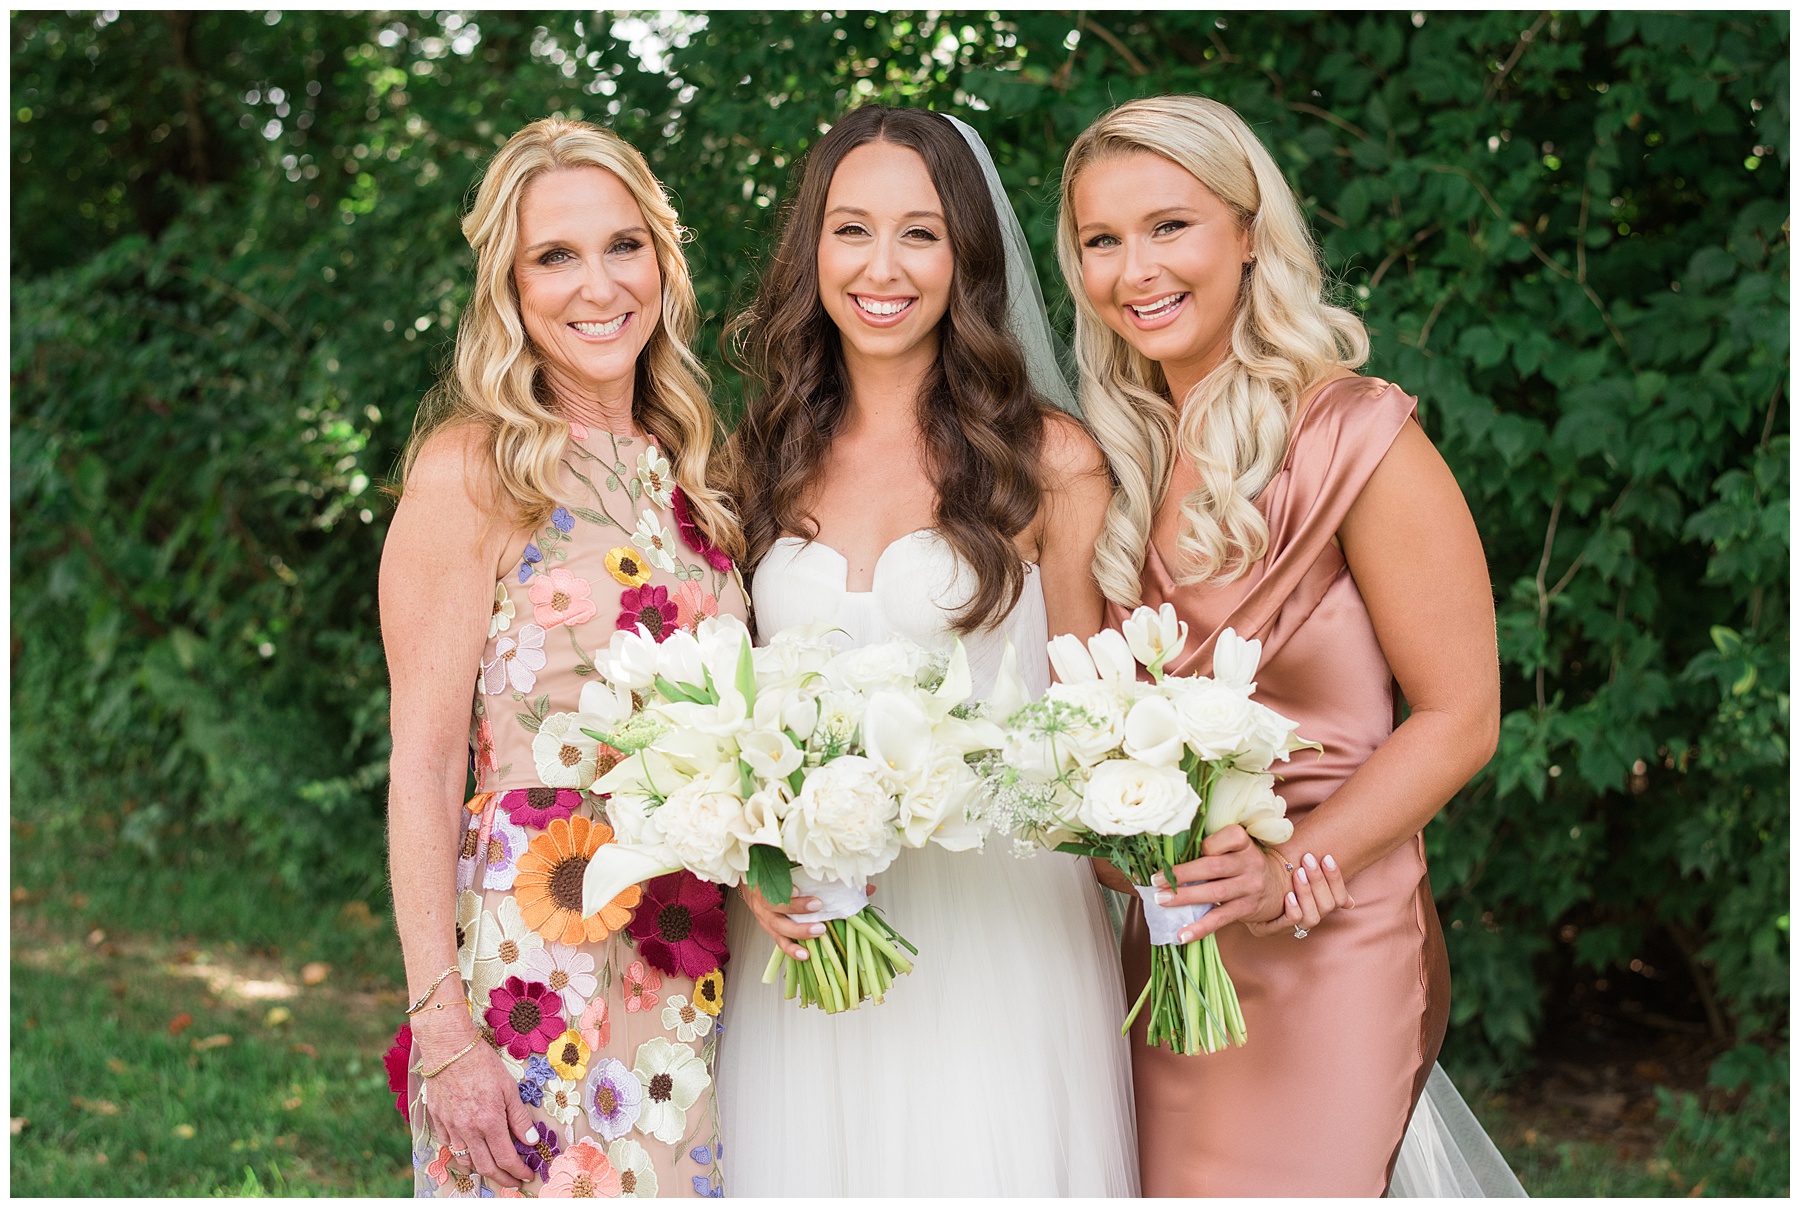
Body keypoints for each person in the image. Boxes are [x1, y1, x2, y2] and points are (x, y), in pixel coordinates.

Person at [1057, 95, 1523, 1196]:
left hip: (1335, 929)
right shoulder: (1107, 469)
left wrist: (1289, 868)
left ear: (1249, 231)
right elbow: (1079, 731)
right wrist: (1125, 850)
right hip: (1168, 951)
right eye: (1101, 240)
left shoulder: (1360, 435)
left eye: (1171, 225)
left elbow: (1463, 716)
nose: (1136, 269)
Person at [716, 105, 1138, 1196]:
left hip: (998, 931)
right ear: (813, 249)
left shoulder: (1049, 459)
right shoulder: (757, 458)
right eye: (852, 229)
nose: (883, 266)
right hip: (803, 938)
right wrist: (748, 859)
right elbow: (721, 712)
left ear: (966, 254)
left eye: (921, 232)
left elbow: (1089, 724)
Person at [383, 117, 747, 1198]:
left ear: (662, 261)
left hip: (696, 949)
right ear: (509, 284)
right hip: (539, 957)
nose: (598, 285)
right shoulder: (473, 469)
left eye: (623, 246)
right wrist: (440, 1023)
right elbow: (425, 763)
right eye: (556, 255)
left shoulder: (699, 469)